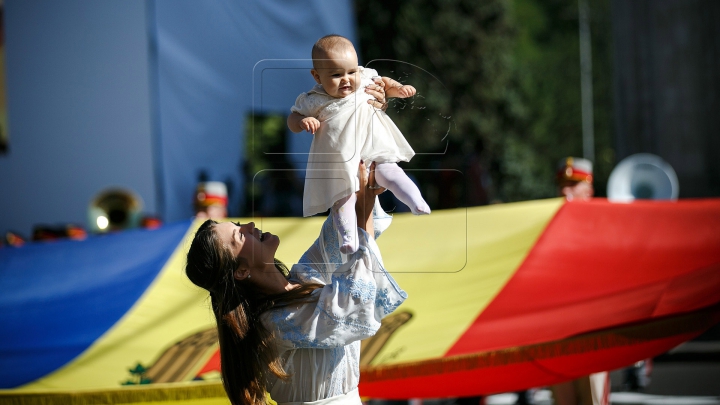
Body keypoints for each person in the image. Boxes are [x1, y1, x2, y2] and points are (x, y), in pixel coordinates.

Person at [185, 160, 407, 405]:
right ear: (241, 271)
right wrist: (364, 199)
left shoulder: (304, 275)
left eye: (238, 225)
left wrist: (355, 170)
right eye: (240, 235)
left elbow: (343, 229)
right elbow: (353, 304)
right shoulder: (273, 323)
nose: (248, 225)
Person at [288, 34, 430, 254]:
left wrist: (398, 90)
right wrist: (302, 121)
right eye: (336, 75)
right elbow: (292, 119)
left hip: (373, 148)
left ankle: (416, 201)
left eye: (351, 72)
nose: (346, 79)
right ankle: (348, 237)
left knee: (391, 172)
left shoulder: (365, 79)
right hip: (342, 160)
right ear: (317, 76)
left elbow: (384, 83)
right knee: (343, 196)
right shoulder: (313, 99)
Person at [550, 157, 610, 405]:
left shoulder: (603, 229)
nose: (566, 191)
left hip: (590, 333)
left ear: (589, 191)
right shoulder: (549, 228)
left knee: (593, 398)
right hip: (558, 334)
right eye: (563, 185)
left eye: (573, 185)